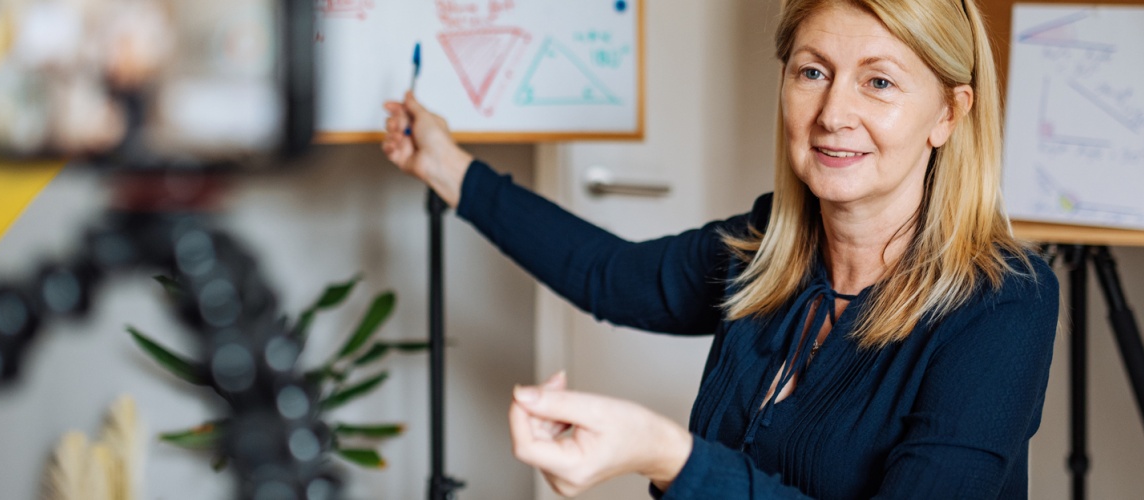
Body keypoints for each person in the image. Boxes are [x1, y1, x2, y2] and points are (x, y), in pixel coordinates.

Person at [379, 0, 1059, 496]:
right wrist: (446, 166)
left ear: (949, 112)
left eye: (878, 82)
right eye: (812, 72)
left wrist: (667, 455)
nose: (832, 113)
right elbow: (608, 276)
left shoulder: (1002, 301)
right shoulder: (764, 250)